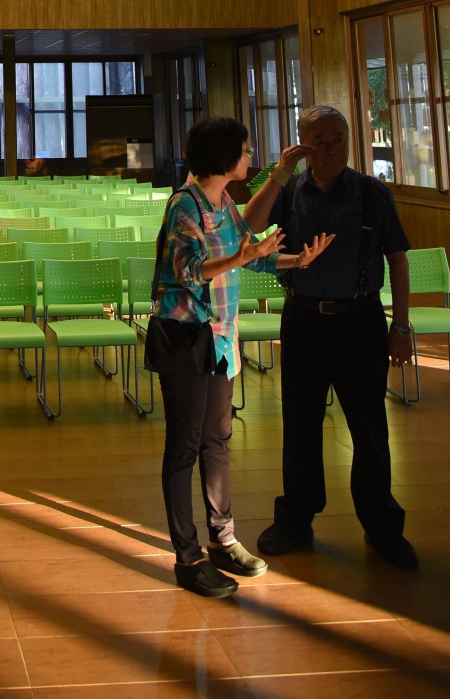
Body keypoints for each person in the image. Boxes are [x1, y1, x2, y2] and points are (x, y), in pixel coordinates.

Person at [153, 116, 333, 598]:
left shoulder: (224, 201)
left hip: (221, 338)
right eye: (246, 150)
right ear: (224, 157)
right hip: (188, 338)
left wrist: (296, 260)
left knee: (217, 440)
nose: (250, 157)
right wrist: (243, 258)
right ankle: (187, 556)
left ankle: (223, 538)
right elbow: (188, 270)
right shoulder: (185, 204)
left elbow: (251, 249)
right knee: (184, 446)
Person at [242, 104, 418, 570]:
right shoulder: (288, 189)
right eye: (319, 141)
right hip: (303, 320)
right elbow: (248, 230)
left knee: (369, 426)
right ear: (303, 146)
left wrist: (401, 325)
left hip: (360, 321)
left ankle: (382, 527)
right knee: (300, 424)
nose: (331, 148)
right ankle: (295, 521)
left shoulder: (372, 193)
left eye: (338, 138)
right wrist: (278, 175)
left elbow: (397, 259)